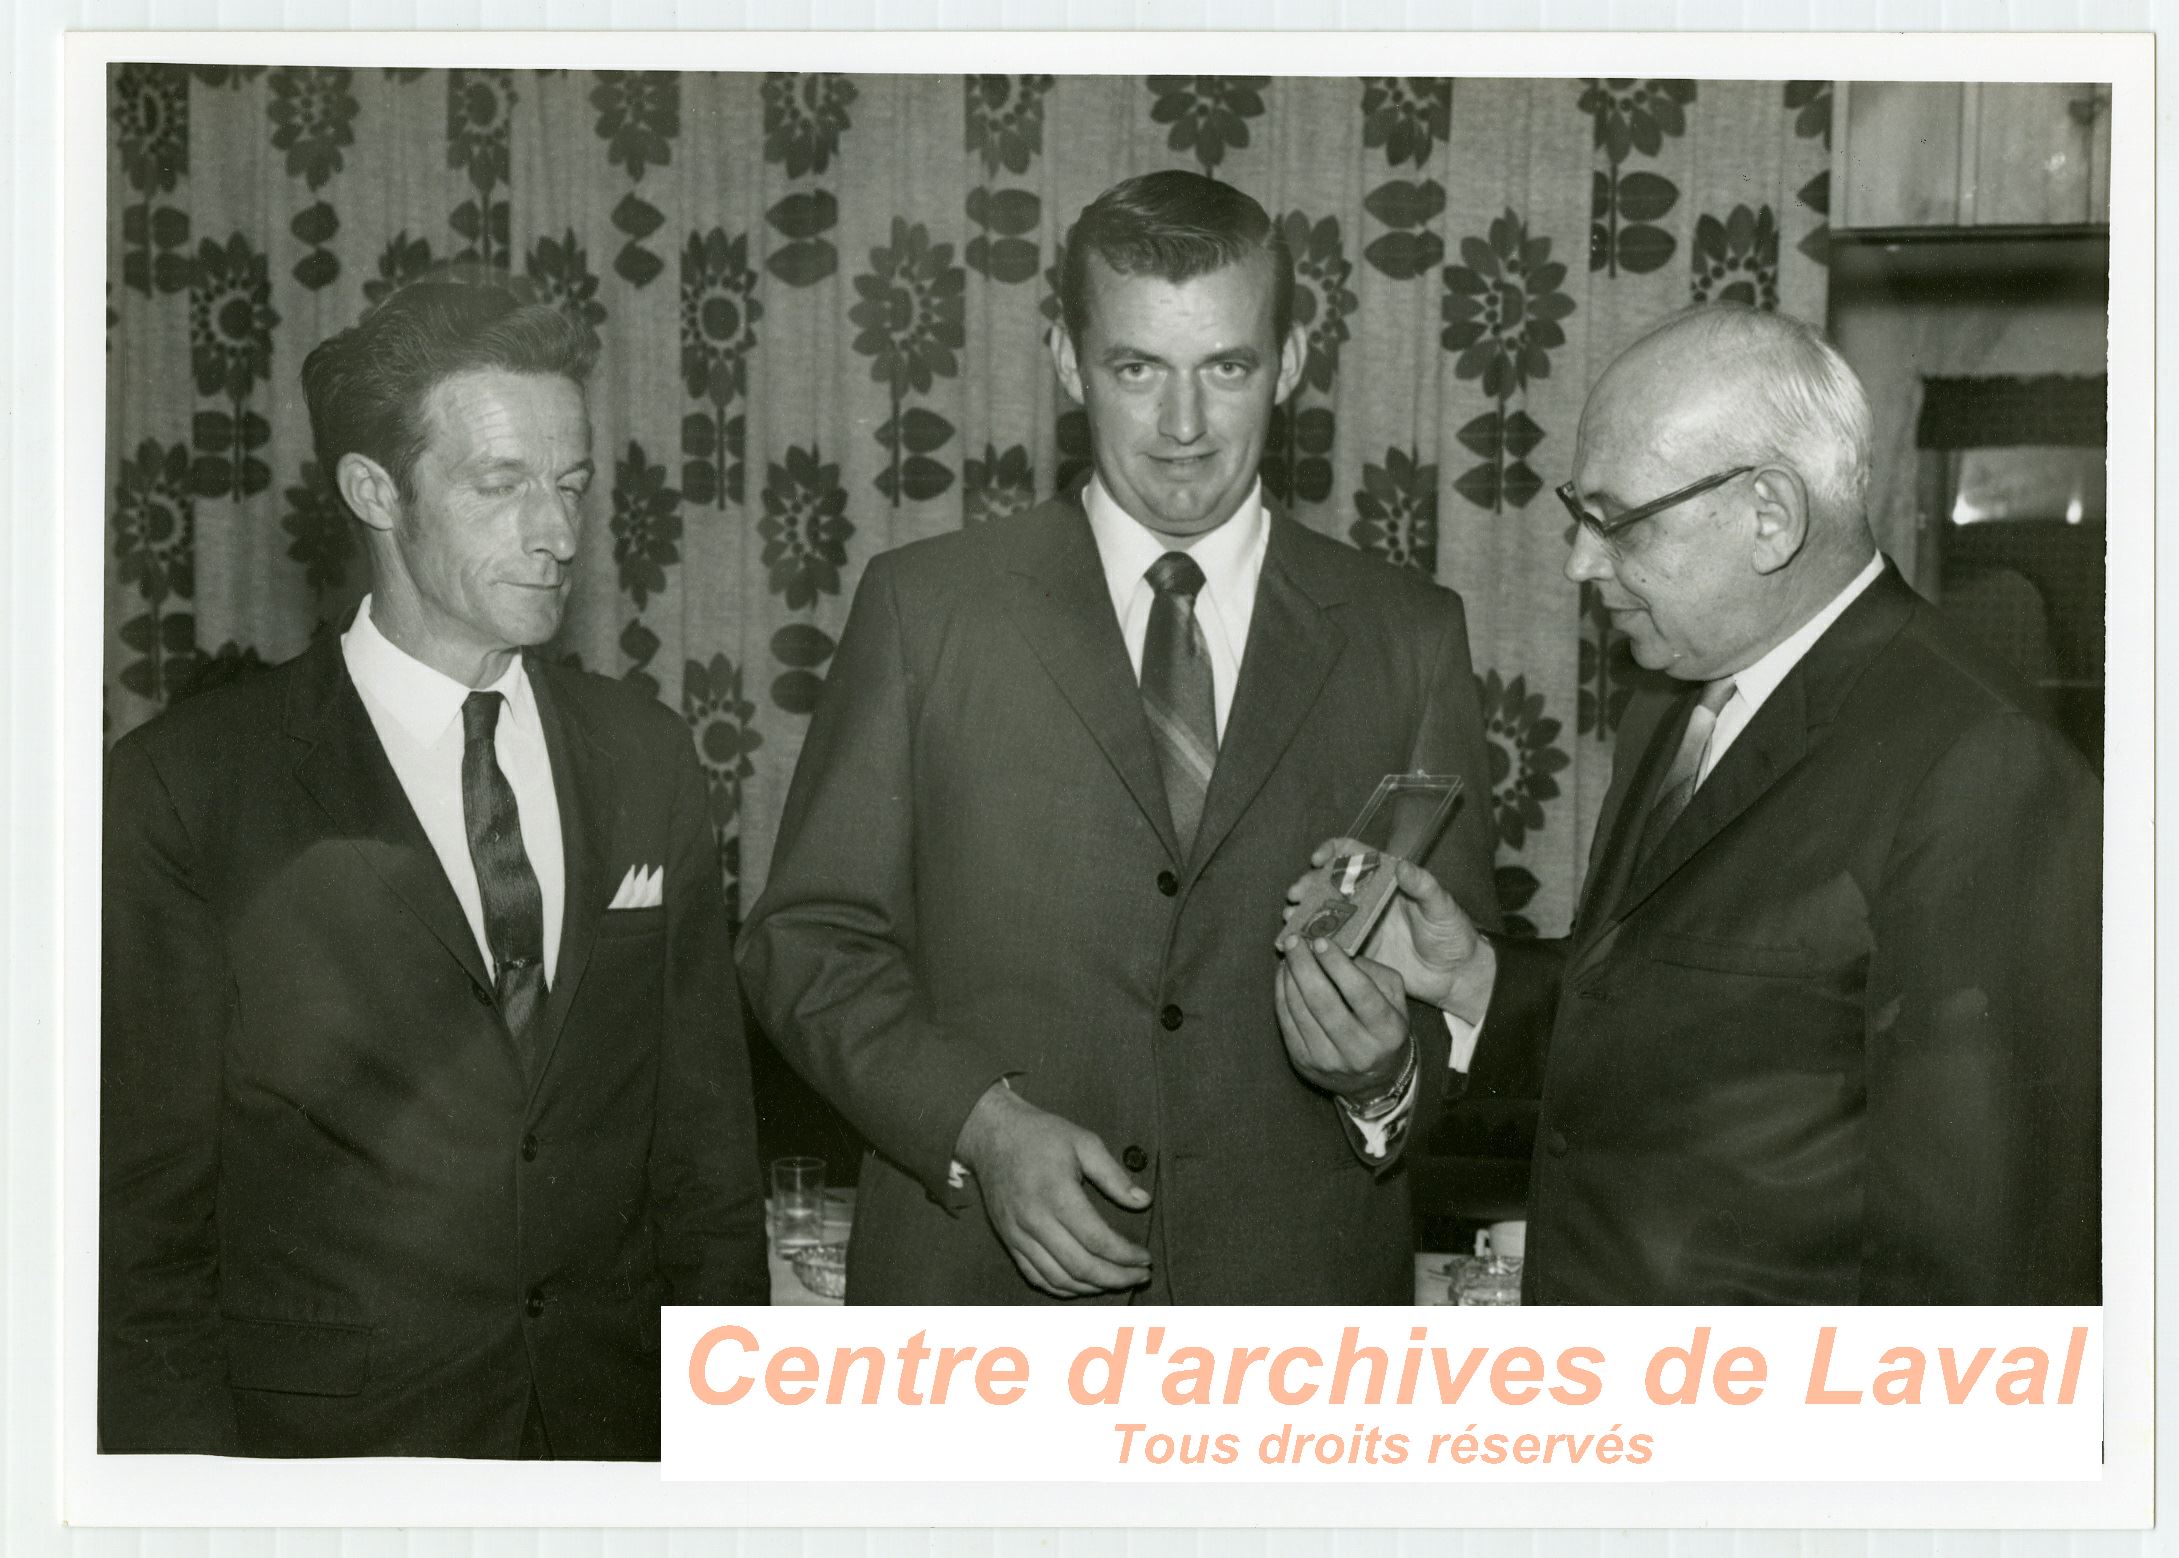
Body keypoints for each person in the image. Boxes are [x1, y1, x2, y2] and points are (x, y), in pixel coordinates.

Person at [738, 170, 1501, 1305]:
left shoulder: (1409, 636)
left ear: (1288, 362)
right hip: (980, 1312)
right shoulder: (925, 609)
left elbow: (1450, 988)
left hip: (1289, 1331)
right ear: (1065, 361)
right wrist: (979, 1124)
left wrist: (1385, 1075)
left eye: (1226, 367)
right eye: (1136, 368)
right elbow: (806, 942)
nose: (1183, 426)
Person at [1284, 303, 2101, 1304]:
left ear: (1770, 515)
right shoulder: (1678, 704)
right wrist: (1477, 980)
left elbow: (1983, 1264)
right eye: (1577, 515)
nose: (1582, 562)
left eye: (1618, 520)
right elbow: (1696, 1033)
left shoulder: (1979, 767)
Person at [100, 281, 768, 1459]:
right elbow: (139, 1240)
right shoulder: (187, 789)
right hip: (334, 1469)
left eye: (571, 486)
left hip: (614, 1448)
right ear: (375, 493)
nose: (557, 533)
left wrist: (726, 1461)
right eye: (501, 486)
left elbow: (705, 1169)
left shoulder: (645, 755)